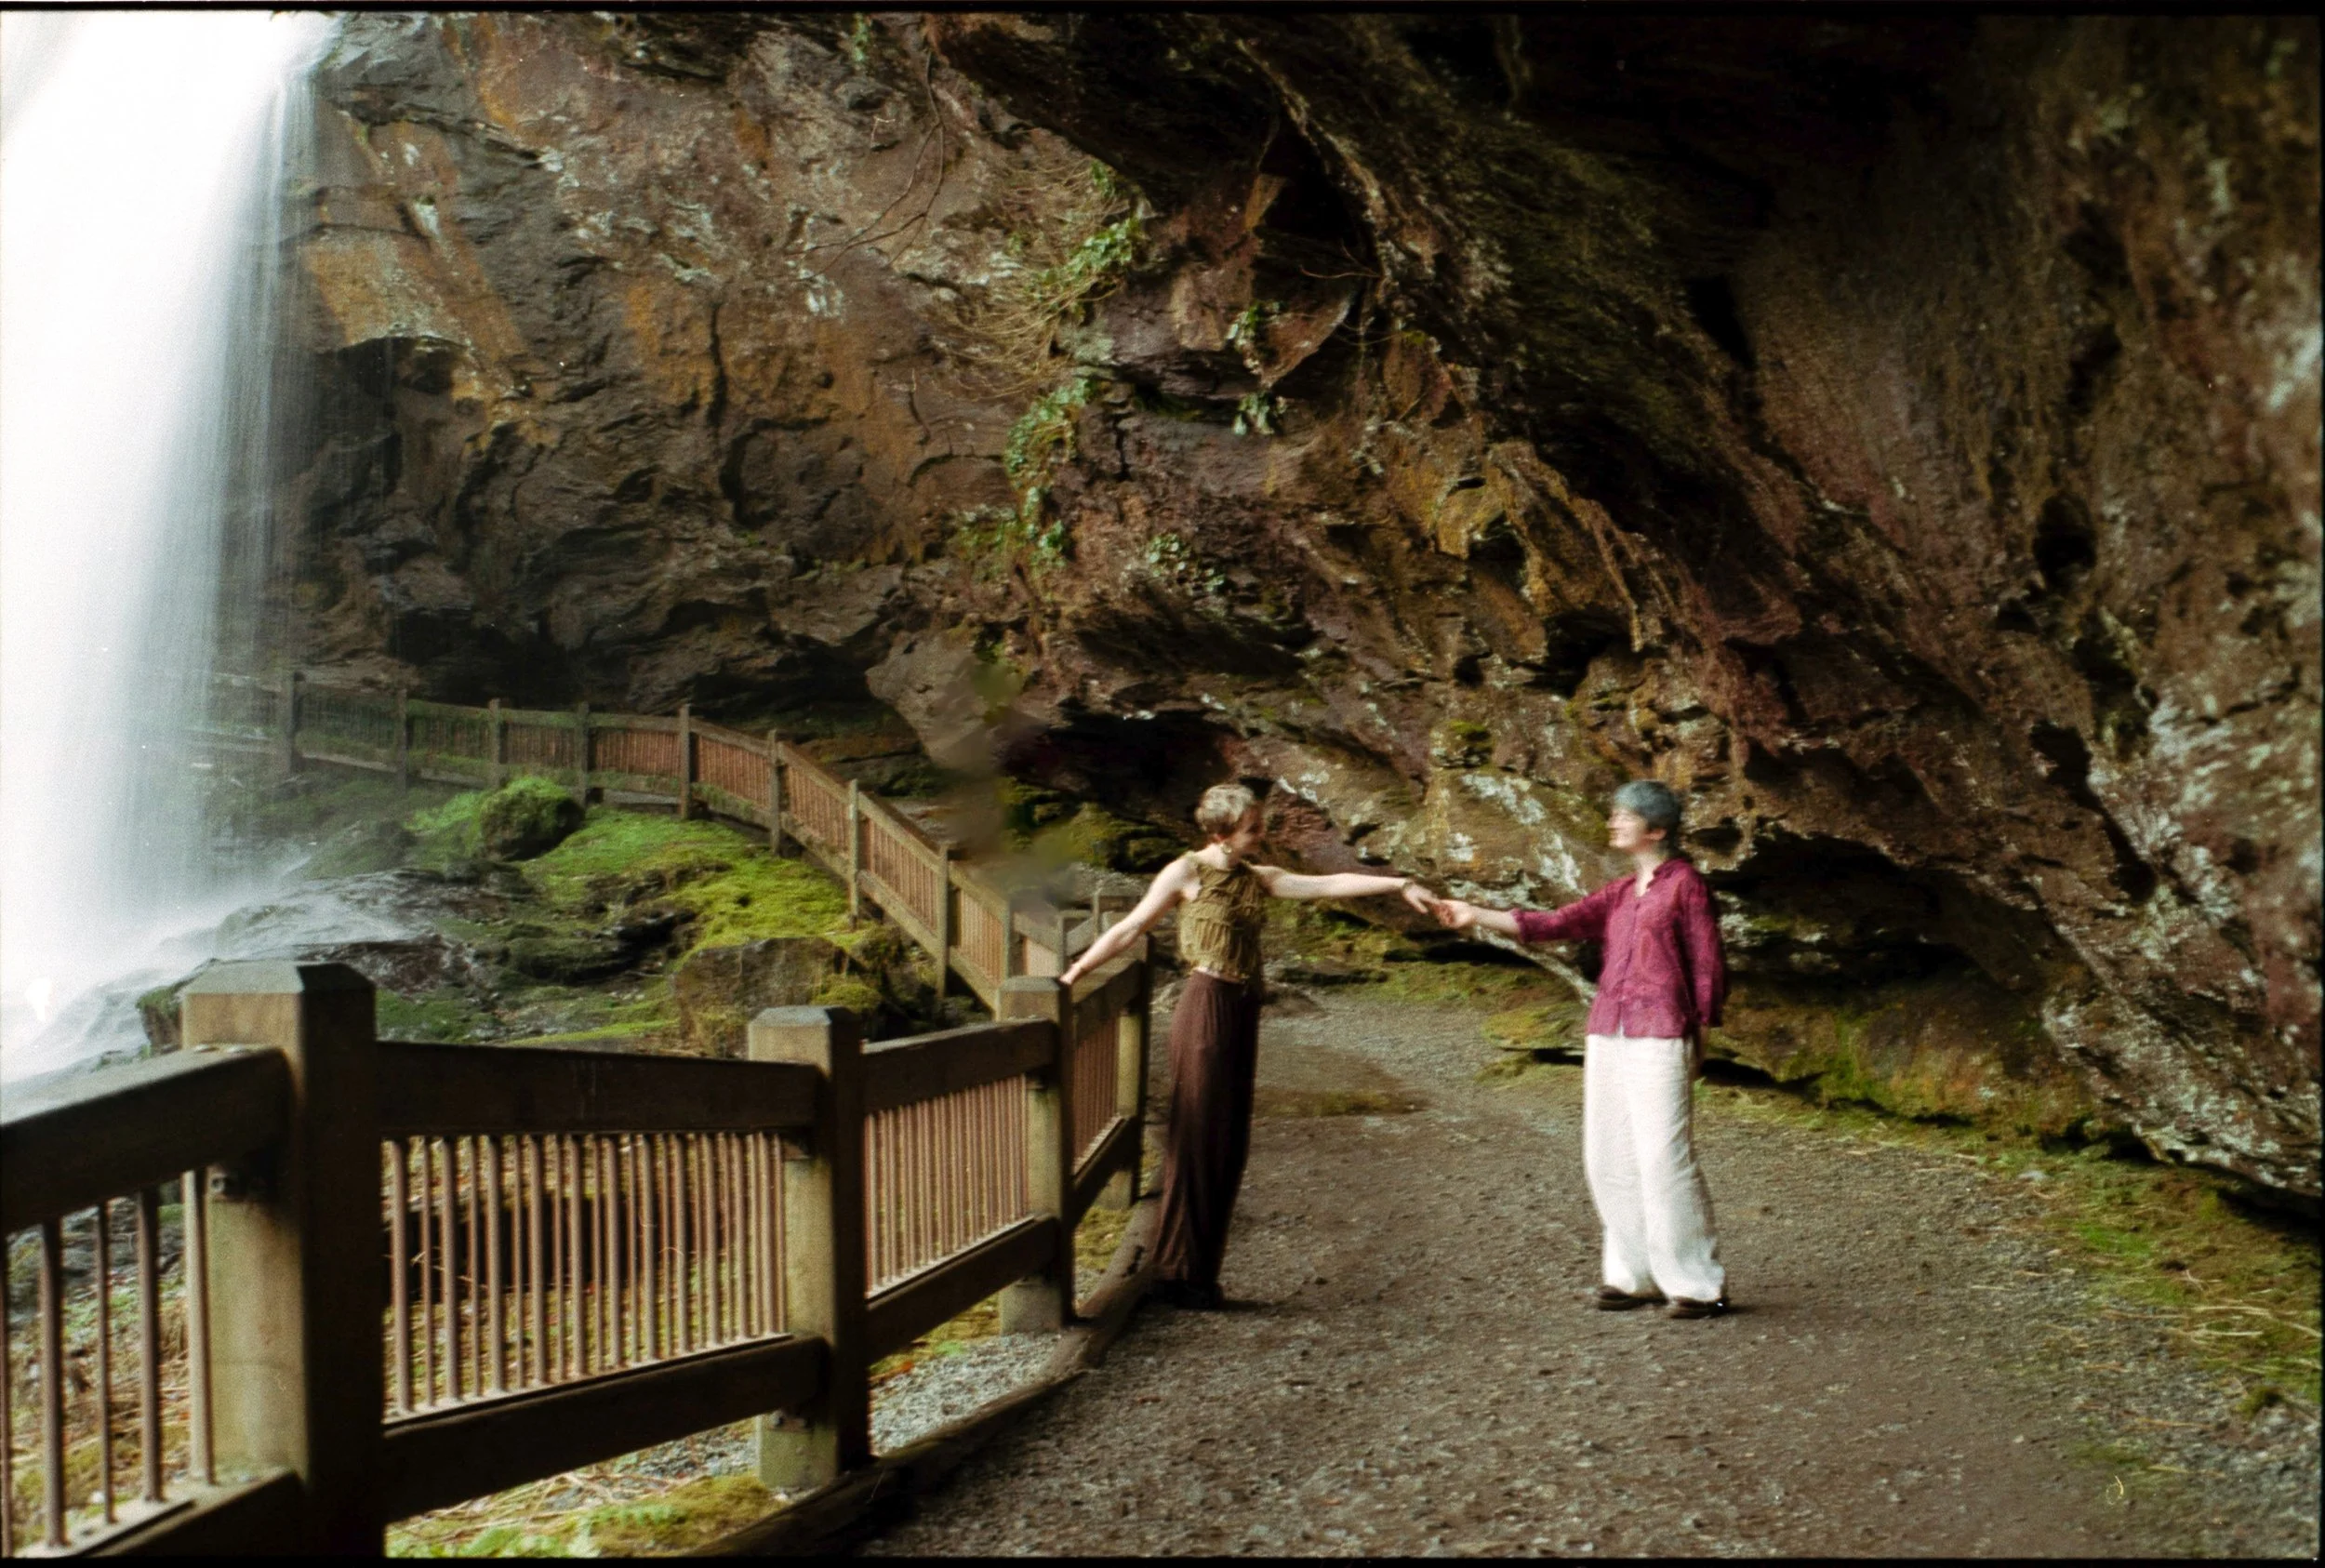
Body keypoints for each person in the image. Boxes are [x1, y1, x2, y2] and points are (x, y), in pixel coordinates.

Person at [1058, 782, 1444, 1309]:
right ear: (1221, 832)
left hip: (1241, 1005)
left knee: (1227, 1136)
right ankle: (1175, 1271)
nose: (1263, 836)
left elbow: (1328, 884)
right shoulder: (1186, 871)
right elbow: (1131, 927)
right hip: (1206, 1002)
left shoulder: (1258, 877)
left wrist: (1398, 885)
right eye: (1253, 829)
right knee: (1195, 1131)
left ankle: (1198, 1273)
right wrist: (1077, 971)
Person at [1432, 778, 1731, 1320]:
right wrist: (1472, 914)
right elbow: (1551, 924)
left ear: (1656, 829)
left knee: (1665, 1158)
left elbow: (1707, 963)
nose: (1613, 823)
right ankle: (1633, 1275)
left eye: (1624, 815)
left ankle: (1696, 1284)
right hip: (1608, 1030)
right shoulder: (1619, 893)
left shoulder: (1686, 886)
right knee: (1608, 1154)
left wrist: (1702, 1034)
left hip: (1663, 1031)